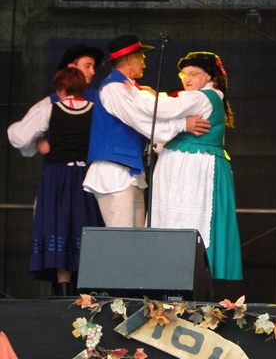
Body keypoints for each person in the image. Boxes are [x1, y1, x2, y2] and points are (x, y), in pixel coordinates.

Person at [128, 51, 242, 281]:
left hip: (194, 170)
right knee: (172, 219)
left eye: (193, 74)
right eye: (184, 74)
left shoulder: (202, 97)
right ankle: (172, 276)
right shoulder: (198, 98)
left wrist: (136, 94)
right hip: (183, 169)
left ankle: (184, 275)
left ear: (209, 76)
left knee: (189, 220)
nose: (187, 79)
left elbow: (165, 109)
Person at [83, 34, 210, 228]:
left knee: (136, 238)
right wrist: (182, 125)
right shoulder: (114, 88)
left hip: (129, 172)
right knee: (121, 237)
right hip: (114, 173)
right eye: (141, 59)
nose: (144, 64)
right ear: (129, 59)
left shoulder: (130, 88)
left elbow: (151, 112)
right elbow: (141, 121)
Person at [8, 67, 104, 296]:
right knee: (83, 226)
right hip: (85, 176)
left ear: (61, 90)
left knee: (60, 226)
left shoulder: (49, 109)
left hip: (58, 177)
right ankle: (86, 289)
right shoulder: (95, 110)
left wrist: (38, 141)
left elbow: (19, 135)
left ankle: (63, 288)